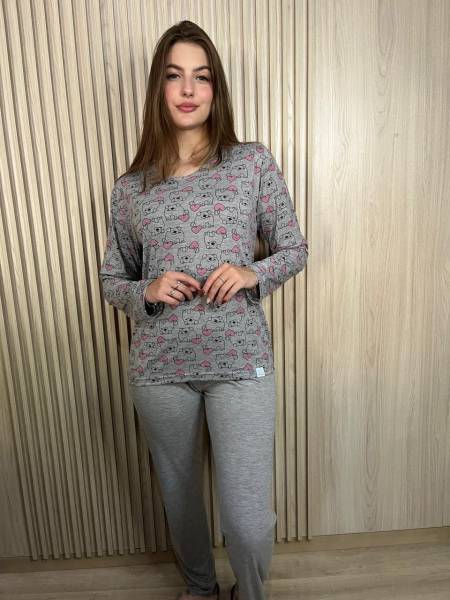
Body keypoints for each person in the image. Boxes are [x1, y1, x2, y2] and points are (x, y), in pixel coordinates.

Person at [99, 20, 308, 600]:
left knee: (247, 519)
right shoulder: (130, 188)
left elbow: (294, 249)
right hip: (160, 369)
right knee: (181, 500)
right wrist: (146, 290)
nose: (188, 89)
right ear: (159, 89)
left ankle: (251, 593)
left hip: (240, 362)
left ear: (216, 89)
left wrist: (250, 273)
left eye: (202, 76)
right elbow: (112, 279)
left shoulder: (251, 162)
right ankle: (199, 590)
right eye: (174, 76)